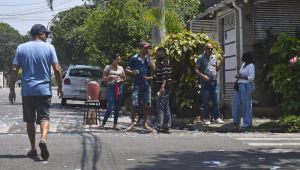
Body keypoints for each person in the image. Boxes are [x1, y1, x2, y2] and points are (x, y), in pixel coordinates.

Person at [8, 24, 63, 160]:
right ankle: (43, 140)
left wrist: (12, 90)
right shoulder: (50, 48)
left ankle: (33, 148)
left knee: (30, 120)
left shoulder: (21, 48)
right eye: (46, 35)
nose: (47, 38)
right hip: (43, 90)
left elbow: (14, 70)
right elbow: (57, 69)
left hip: (27, 90)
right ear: (41, 34)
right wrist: (60, 87)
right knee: (44, 117)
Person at [125, 41, 156, 131]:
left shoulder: (148, 58)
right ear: (141, 48)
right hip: (137, 85)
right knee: (134, 104)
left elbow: (153, 69)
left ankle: (145, 124)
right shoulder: (134, 58)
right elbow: (127, 69)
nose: (147, 49)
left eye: (147, 48)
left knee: (146, 105)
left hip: (147, 85)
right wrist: (133, 72)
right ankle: (132, 124)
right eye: (145, 48)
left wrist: (149, 58)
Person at [194, 43, 226, 125]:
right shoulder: (200, 58)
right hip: (205, 83)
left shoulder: (214, 57)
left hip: (214, 83)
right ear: (204, 49)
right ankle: (207, 118)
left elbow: (217, 69)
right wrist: (203, 76)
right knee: (205, 102)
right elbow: (196, 69)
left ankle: (217, 118)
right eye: (208, 48)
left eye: (211, 48)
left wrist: (222, 60)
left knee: (216, 101)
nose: (210, 50)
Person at [99, 53, 126, 130]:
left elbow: (124, 78)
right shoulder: (108, 67)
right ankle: (103, 123)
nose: (119, 61)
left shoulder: (121, 68)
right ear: (113, 60)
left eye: (119, 59)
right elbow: (103, 78)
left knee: (117, 107)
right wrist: (110, 76)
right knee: (110, 106)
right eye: (117, 59)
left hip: (119, 87)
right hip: (111, 87)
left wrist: (120, 80)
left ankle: (115, 124)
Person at [151, 47, 172, 134]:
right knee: (165, 108)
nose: (156, 55)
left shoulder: (165, 62)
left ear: (162, 53)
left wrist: (162, 87)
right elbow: (158, 76)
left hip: (164, 89)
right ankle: (167, 127)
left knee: (159, 108)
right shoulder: (161, 63)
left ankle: (157, 128)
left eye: (157, 53)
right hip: (164, 88)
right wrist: (148, 78)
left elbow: (165, 76)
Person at [232, 51, 255, 128]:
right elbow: (242, 73)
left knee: (246, 105)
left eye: (243, 56)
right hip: (240, 86)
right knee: (235, 102)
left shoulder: (251, 66)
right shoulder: (243, 65)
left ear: (246, 57)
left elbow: (251, 78)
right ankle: (236, 121)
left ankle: (248, 123)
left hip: (246, 86)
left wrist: (240, 77)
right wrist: (238, 75)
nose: (241, 58)